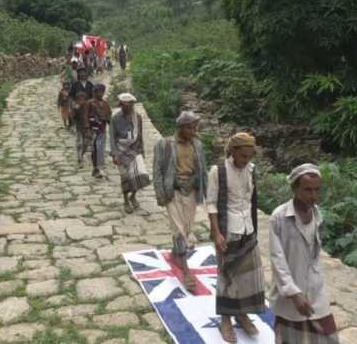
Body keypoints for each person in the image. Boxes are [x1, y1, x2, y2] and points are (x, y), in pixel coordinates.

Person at [269, 164, 339, 344]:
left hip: (315, 288)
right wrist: (293, 293)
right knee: (290, 336)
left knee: (327, 335)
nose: (313, 196)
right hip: (290, 289)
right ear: (294, 188)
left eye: (317, 190)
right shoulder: (279, 217)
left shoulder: (316, 214)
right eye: (308, 190)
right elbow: (278, 259)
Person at [207, 132, 265, 343]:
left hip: (248, 229)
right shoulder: (218, 172)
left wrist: (254, 230)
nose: (246, 161)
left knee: (248, 276)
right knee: (227, 275)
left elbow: (251, 202)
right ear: (233, 152)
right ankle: (225, 319)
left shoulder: (251, 170)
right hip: (228, 231)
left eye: (250, 157)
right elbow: (211, 204)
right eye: (243, 156)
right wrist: (216, 233)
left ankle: (242, 313)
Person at [153, 111, 208, 291]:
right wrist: (161, 194)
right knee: (178, 228)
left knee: (187, 226)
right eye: (190, 127)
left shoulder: (197, 145)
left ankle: (176, 253)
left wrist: (204, 190)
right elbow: (158, 171)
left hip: (191, 190)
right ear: (181, 127)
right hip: (173, 191)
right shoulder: (164, 144)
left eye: (194, 127)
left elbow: (203, 169)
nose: (193, 130)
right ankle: (185, 270)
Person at [110, 93, 151, 213]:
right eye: (124, 105)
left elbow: (140, 136)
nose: (127, 107)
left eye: (129, 105)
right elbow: (112, 138)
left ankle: (133, 196)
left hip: (135, 150)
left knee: (139, 176)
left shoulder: (137, 117)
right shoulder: (115, 118)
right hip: (121, 151)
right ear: (121, 105)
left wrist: (142, 151)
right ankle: (125, 200)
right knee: (125, 177)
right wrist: (115, 154)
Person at [89, 84, 112, 178]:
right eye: (98, 91)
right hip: (93, 130)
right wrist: (87, 128)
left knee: (100, 150)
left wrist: (108, 121)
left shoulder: (105, 104)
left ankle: (98, 168)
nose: (100, 94)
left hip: (102, 130)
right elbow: (85, 116)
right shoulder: (90, 103)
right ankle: (95, 168)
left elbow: (109, 116)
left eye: (102, 92)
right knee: (94, 149)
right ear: (94, 92)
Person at [71, 91, 91, 167]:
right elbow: (73, 117)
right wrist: (76, 110)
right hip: (79, 127)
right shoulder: (75, 106)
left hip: (86, 127)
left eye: (83, 99)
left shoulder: (88, 105)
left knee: (86, 143)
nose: (81, 101)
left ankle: (82, 155)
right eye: (79, 99)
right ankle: (79, 158)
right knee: (79, 143)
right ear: (77, 100)